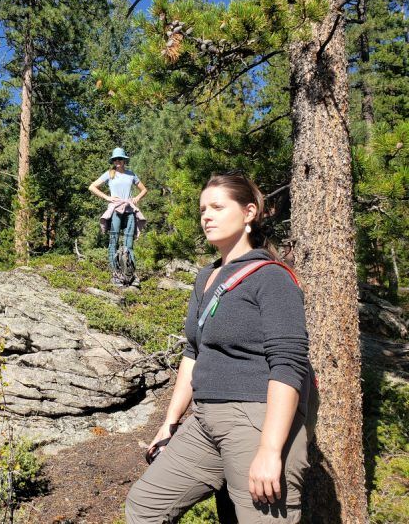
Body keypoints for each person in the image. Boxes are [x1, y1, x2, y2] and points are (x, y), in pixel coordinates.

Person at [125, 172, 312, 523]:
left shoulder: (271, 277)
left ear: (249, 212)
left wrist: (271, 450)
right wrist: (169, 423)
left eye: (217, 207)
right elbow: (193, 353)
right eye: (202, 209)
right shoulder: (206, 276)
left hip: (255, 421)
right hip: (205, 421)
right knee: (145, 505)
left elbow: (288, 365)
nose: (206, 216)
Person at [89, 147, 147, 285]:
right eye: (115, 159)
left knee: (129, 243)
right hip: (115, 210)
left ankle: (130, 275)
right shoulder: (110, 174)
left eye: (120, 159)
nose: (117, 161)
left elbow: (144, 189)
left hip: (129, 210)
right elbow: (92, 187)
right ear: (113, 161)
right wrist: (107, 198)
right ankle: (116, 274)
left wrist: (137, 198)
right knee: (113, 241)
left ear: (124, 160)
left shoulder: (131, 174)